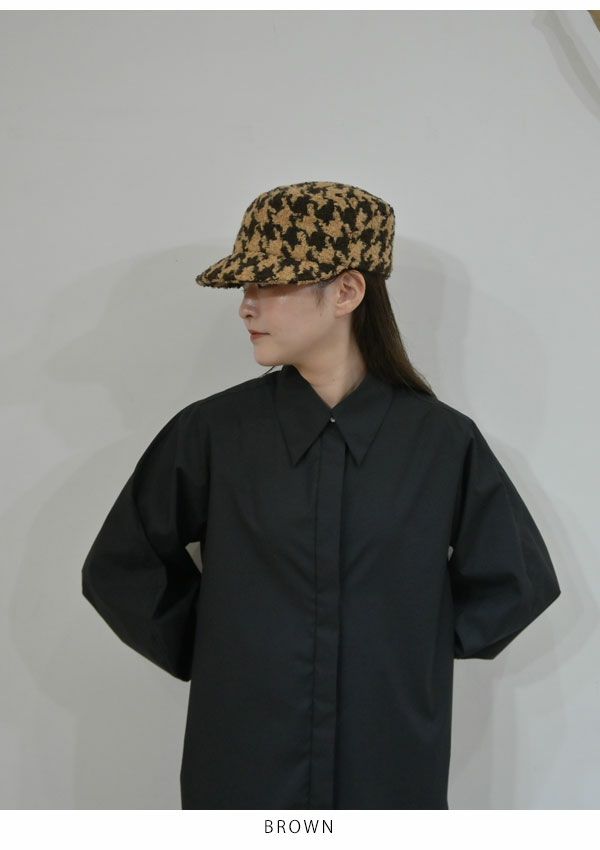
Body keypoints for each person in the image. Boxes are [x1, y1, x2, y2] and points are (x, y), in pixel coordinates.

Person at [81, 180, 561, 810]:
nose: (246, 307)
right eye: (244, 288)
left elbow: (518, 581)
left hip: (390, 767)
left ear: (346, 292)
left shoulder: (441, 443)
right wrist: (224, 645)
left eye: (266, 284)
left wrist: (407, 647)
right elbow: (122, 566)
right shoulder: (213, 434)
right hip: (243, 766)